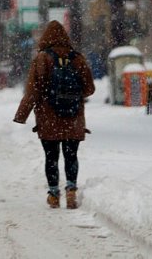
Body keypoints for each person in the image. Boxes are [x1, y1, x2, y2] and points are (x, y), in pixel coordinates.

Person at [13, 21, 95, 209]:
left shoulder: (42, 59)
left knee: (51, 156)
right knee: (71, 155)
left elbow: (33, 90)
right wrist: (73, 96)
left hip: (48, 117)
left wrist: (22, 114)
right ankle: (71, 189)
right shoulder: (78, 58)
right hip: (73, 118)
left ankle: (53, 194)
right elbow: (89, 88)